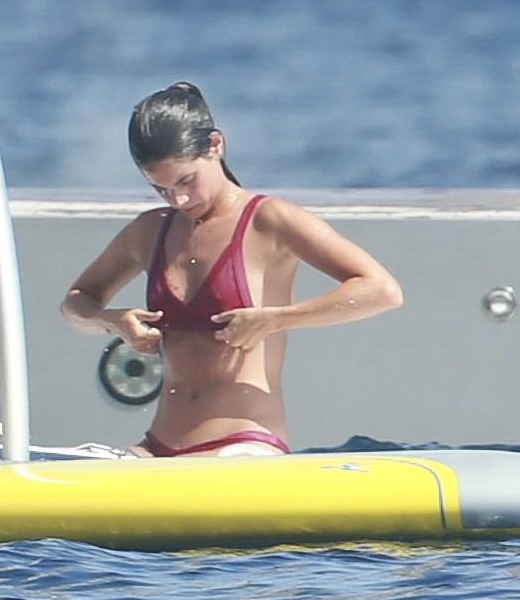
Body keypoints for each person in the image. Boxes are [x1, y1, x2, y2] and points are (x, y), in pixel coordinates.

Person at [61, 82, 403, 457]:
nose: (179, 199)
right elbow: (76, 304)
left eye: (186, 181)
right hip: (158, 446)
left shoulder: (269, 221)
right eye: (161, 189)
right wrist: (112, 320)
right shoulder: (150, 231)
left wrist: (275, 319)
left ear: (215, 146)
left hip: (242, 446)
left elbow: (381, 290)